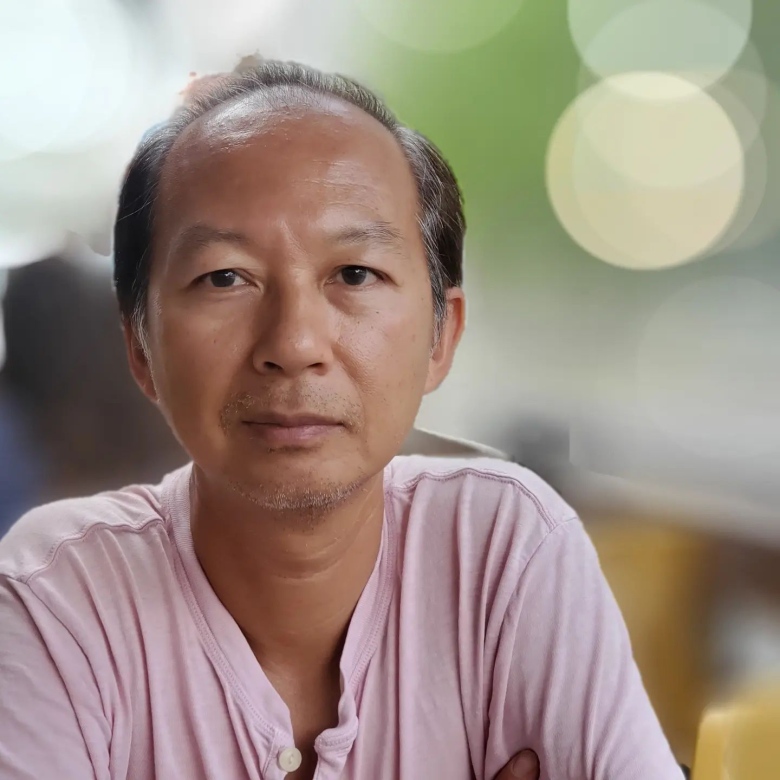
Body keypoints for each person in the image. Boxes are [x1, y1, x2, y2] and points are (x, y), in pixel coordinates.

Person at [0, 59, 684, 780]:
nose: (294, 344)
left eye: (355, 274)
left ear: (440, 337)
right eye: (225, 277)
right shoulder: (55, 601)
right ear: (140, 345)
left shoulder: (505, 550)